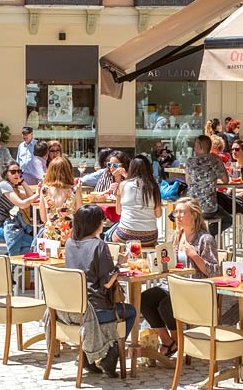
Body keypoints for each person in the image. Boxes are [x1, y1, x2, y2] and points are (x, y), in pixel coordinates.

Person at [141, 197, 220, 358]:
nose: (177, 216)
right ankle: (168, 341)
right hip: (174, 285)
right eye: (176, 212)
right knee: (145, 299)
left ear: (194, 215)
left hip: (196, 290)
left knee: (167, 304)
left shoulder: (205, 239)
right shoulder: (177, 236)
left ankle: (178, 340)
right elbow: (169, 263)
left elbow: (215, 273)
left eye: (182, 212)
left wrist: (194, 256)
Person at [64, 204, 137, 377]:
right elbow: (107, 283)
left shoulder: (69, 243)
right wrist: (119, 264)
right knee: (131, 311)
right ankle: (111, 355)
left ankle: (88, 357)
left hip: (72, 309)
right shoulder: (99, 245)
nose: (104, 222)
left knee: (120, 310)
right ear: (96, 223)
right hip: (95, 311)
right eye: (102, 219)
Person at [0, 161, 39, 256]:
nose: (16, 174)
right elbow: (22, 204)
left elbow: (30, 197)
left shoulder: (12, 188)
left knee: (31, 240)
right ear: (6, 174)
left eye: (19, 171)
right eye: (13, 172)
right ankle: (9, 260)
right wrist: (38, 194)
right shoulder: (4, 185)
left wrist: (23, 182)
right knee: (32, 242)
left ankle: (7, 258)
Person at [106, 155, 161, 246]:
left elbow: (118, 211)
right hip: (150, 237)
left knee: (108, 235)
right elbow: (158, 214)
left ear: (131, 168)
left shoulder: (123, 185)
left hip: (125, 235)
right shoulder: (154, 186)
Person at [184, 135, 230, 234]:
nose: (194, 148)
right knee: (228, 220)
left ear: (200, 147)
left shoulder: (190, 161)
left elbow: (188, 182)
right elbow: (226, 180)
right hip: (209, 208)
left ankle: (199, 234)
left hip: (192, 207)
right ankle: (209, 233)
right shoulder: (215, 159)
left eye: (195, 146)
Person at [39, 157, 83, 245]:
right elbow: (80, 214)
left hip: (50, 233)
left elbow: (43, 218)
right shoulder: (74, 190)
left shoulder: (44, 190)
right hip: (69, 233)